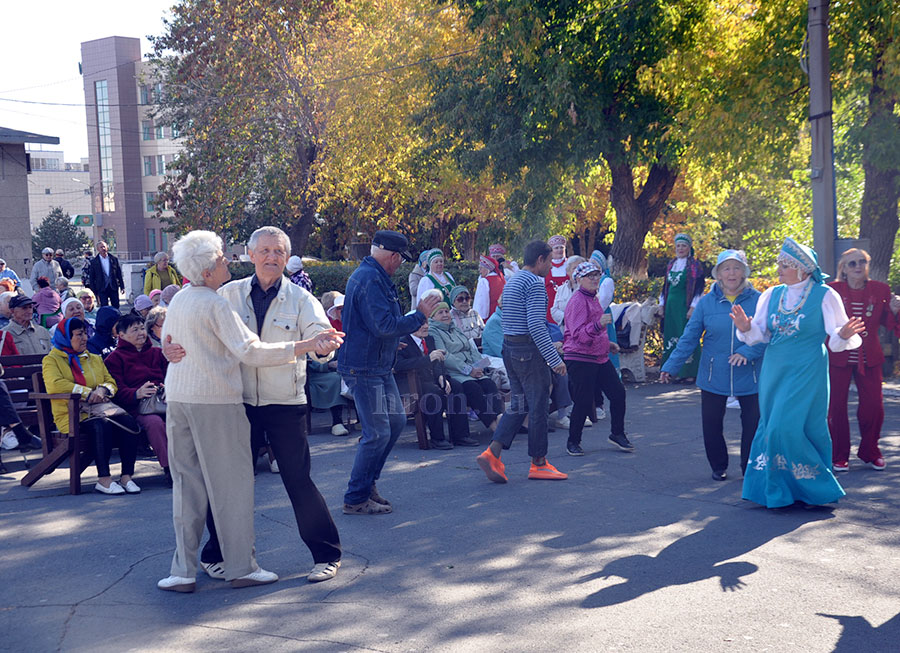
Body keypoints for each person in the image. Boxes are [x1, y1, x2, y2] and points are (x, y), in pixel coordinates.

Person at [157, 229, 343, 593]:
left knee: (296, 479)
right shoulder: (225, 294)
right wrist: (168, 348)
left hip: (283, 401)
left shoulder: (302, 298)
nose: (271, 256)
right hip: (236, 402)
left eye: (278, 251)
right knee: (223, 484)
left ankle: (326, 554)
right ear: (252, 255)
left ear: (286, 256)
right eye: (265, 251)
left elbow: (322, 336)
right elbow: (194, 337)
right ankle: (219, 556)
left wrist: (322, 345)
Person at [731, 238, 864, 509]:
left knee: (787, 426)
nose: (779, 268)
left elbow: (836, 335)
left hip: (807, 368)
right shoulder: (772, 294)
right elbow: (760, 334)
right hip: (774, 369)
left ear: (802, 269)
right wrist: (746, 327)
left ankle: (816, 488)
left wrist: (844, 333)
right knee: (771, 426)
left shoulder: (825, 295)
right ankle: (779, 490)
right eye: (780, 263)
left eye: (785, 265)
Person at [337, 230, 441, 515]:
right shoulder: (370, 279)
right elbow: (383, 325)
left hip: (375, 365)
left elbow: (379, 326)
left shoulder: (372, 276)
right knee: (378, 432)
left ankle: (366, 484)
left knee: (393, 424)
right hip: (365, 367)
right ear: (394, 256)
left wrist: (395, 340)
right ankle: (356, 496)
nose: (399, 265)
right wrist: (419, 315)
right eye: (399, 259)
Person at [661, 250, 765, 480]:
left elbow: (768, 335)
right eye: (726, 268)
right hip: (713, 374)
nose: (731, 273)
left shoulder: (759, 300)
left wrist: (748, 352)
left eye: (736, 268)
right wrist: (671, 365)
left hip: (752, 375)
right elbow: (689, 336)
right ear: (718, 274)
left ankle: (750, 471)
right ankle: (718, 466)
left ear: (744, 272)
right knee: (711, 425)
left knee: (753, 426)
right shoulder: (707, 302)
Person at [476, 239, 569, 483]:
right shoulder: (535, 284)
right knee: (538, 405)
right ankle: (539, 462)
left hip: (511, 348)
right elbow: (537, 326)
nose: (550, 265)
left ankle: (493, 453)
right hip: (528, 350)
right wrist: (553, 359)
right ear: (540, 260)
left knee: (519, 404)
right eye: (549, 260)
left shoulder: (513, 280)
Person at [43, 316, 141, 495]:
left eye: (86, 334)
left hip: (100, 410)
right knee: (100, 426)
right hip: (72, 415)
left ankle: (127, 476)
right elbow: (55, 384)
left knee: (129, 423)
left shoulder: (94, 358)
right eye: (79, 335)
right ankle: (104, 479)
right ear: (66, 336)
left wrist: (103, 390)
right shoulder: (52, 360)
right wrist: (88, 392)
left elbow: (111, 382)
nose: (85, 339)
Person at [827, 248, 900, 473]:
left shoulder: (880, 290)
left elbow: (890, 324)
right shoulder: (832, 291)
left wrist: (896, 311)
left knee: (873, 407)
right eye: (852, 263)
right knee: (836, 407)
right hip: (838, 355)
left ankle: (871, 451)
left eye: (862, 262)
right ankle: (839, 455)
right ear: (844, 269)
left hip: (869, 356)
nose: (858, 266)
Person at [562, 261, 628, 456]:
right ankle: (573, 441)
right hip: (580, 358)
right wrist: (599, 325)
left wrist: (608, 345)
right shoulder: (577, 301)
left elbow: (593, 332)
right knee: (583, 402)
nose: (593, 279)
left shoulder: (593, 299)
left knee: (618, 394)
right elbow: (578, 335)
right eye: (588, 276)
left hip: (598, 357)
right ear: (579, 279)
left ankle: (617, 433)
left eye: (596, 275)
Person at [104, 313, 171, 485]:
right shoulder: (115, 359)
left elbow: (172, 376)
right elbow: (116, 390)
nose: (141, 332)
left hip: (164, 401)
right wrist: (136, 393)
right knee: (154, 423)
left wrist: (168, 388)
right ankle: (170, 469)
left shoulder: (158, 353)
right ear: (122, 335)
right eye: (135, 330)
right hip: (136, 409)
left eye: (142, 328)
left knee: (184, 416)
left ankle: (191, 466)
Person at [395, 317, 475, 449]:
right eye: (421, 324)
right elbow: (399, 365)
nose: (426, 326)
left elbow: (438, 360)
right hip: (413, 383)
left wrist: (441, 376)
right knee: (434, 393)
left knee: (455, 386)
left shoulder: (429, 339)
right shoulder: (403, 342)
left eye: (426, 323)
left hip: (432, 378)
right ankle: (437, 438)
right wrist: (427, 359)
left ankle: (460, 435)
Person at [429, 301, 500, 436]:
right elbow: (445, 355)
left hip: (473, 370)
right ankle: (494, 426)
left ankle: (499, 420)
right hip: (457, 372)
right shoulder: (433, 331)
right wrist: (469, 370)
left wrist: (479, 367)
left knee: (489, 385)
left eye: (446, 311)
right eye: (440, 312)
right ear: (433, 317)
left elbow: (471, 349)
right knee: (473, 388)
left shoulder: (454, 328)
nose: (445, 315)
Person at [658, 233, 705, 382]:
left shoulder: (694, 265)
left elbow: (699, 289)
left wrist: (693, 307)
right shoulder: (671, 264)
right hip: (671, 307)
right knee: (671, 334)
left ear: (689, 247)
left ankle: (690, 372)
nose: (680, 248)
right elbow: (665, 286)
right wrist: (661, 305)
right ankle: (671, 371)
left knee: (687, 335)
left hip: (685, 307)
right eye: (678, 246)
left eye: (683, 245)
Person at [87, 241, 125, 308]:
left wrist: (122, 286)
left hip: (113, 287)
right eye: (101, 247)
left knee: (116, 306)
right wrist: (94, 291)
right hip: (102, 288)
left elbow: (119, 274)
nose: (103, 248)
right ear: (98, 249)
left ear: (107, 247)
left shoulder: (113, 259)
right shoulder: (94, 262)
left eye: (104, 246)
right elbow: (92, 277)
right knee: (104, 307)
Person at [544, 235, 569, 324]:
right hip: (550, 307)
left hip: (567, 305)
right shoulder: (545, 266)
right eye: (556, 248)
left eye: (561, 247)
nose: (559, 250)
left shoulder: (570, 265)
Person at [474, 254, 505, 320]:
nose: (479, 270)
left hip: (489, 318)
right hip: (501, 315)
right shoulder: (500, 279)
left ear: (487, 269)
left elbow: (481, 305)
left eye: (481, 268)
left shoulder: (484, 281)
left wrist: (478, 319)